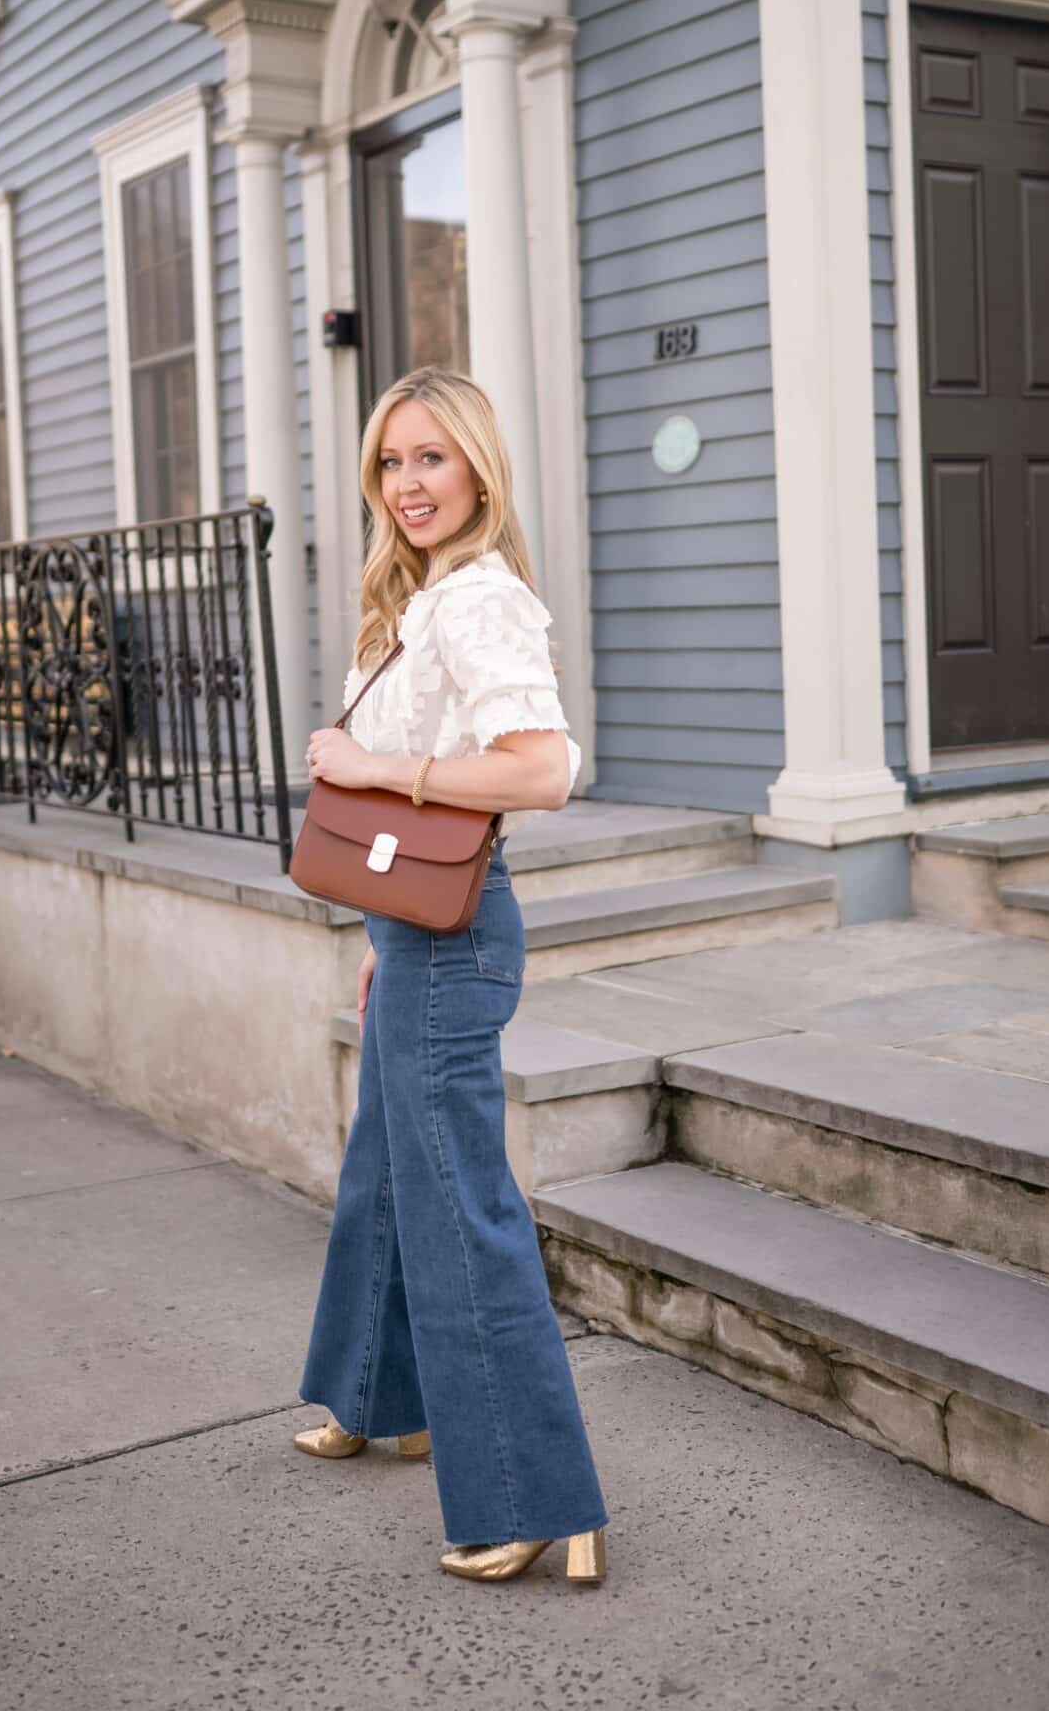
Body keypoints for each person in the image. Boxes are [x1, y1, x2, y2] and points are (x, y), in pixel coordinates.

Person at [293, 365, 609, 1586]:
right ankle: (384, 1396)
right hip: (414, 932)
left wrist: (381, 767)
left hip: (460, 937)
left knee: (460, 1210)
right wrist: (382, 940)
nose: (409, 483)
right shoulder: (421, 597)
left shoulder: (481, 600)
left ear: (477, 465)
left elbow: (540, 769)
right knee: (384, 1173)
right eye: (390, 461)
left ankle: (541, 1498)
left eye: (431, 457)